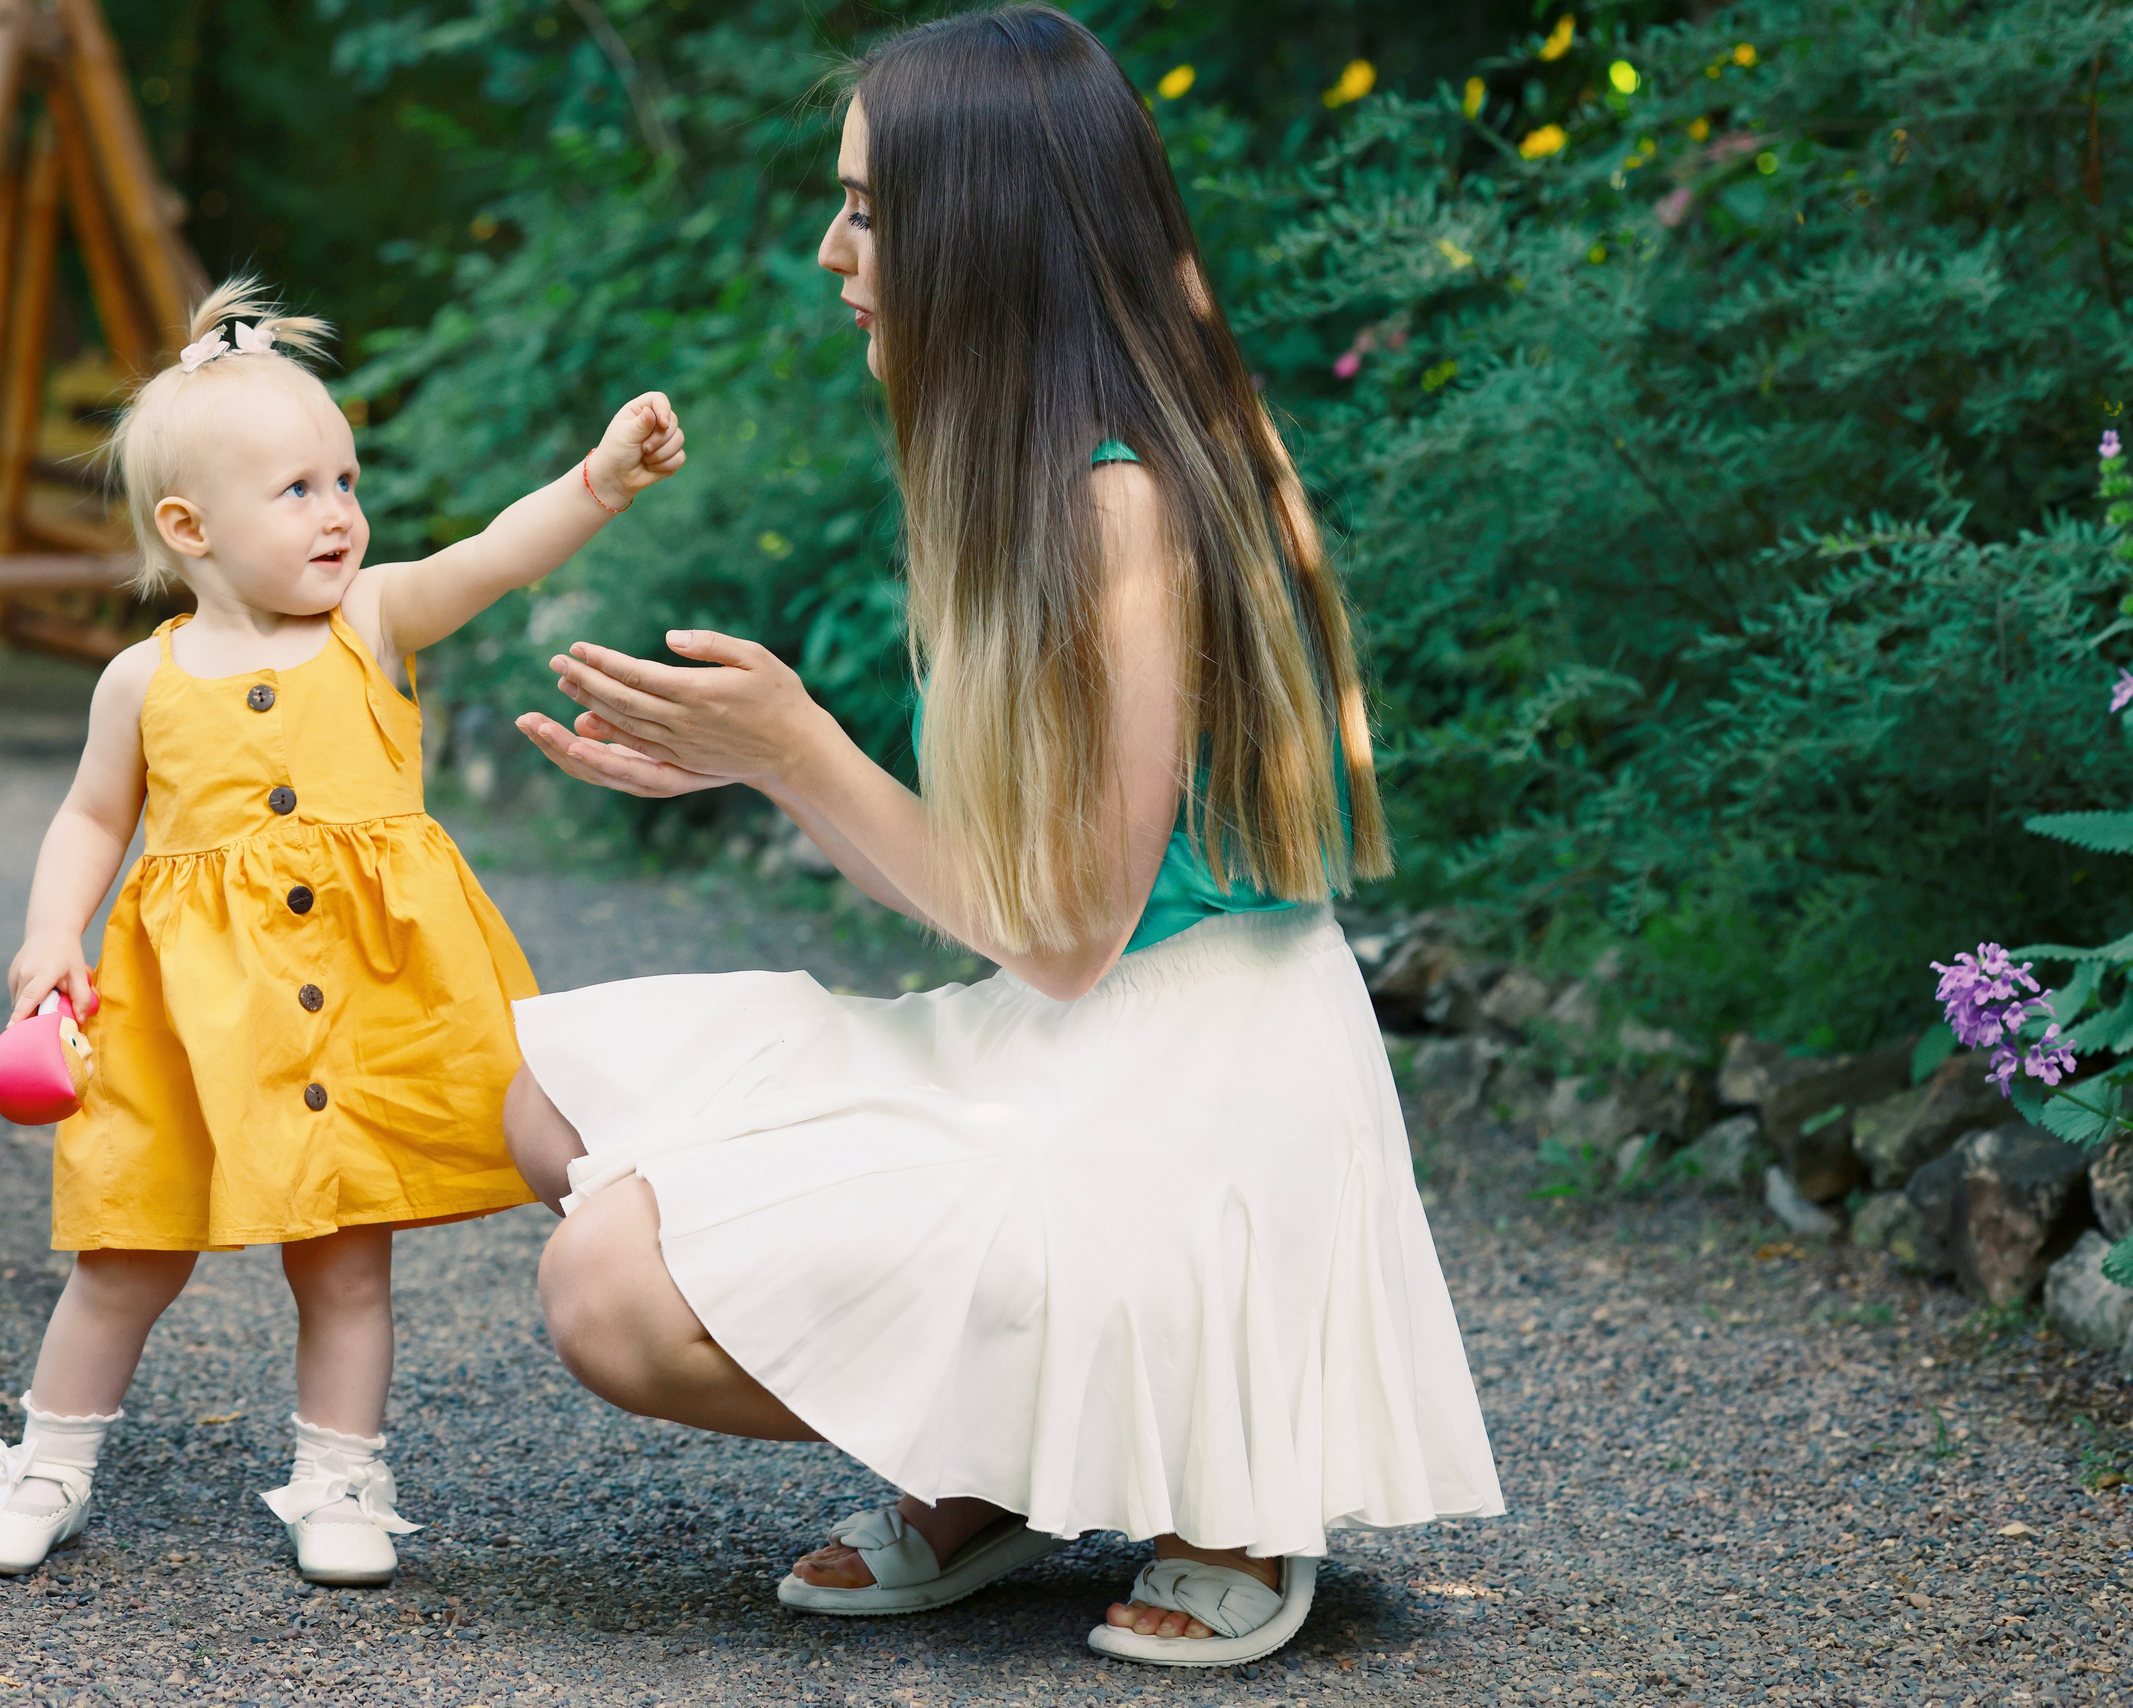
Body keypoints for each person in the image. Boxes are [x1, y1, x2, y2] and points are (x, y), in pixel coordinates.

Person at [501, 6, 1502, 1669]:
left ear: (983, 228)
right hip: (1058, 1039)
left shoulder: (1124, 504)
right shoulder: (1015, 471)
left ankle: (1207, 1482)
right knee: (558, 1100)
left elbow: (1071, 932)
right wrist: (754, 768)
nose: (832, 251)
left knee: (608, 1287)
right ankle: (997, 1448)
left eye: (868, 211)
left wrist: (802, 750)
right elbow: (1002, 908)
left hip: (1194, 1088)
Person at [0, 278, 685, 1585]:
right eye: (296, 490)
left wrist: (599, 482)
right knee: (125, 1250)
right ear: (190, 527)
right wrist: (53, 932)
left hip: (358, 1007)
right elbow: (91, 816)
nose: (339, 510)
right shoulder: (142, 680)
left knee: (344, 1264)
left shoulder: (371, 621)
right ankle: (47, 1464)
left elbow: (495, 556)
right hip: (190, 1022)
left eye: (345, 480)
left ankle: (342, 1478)